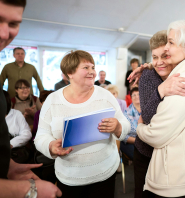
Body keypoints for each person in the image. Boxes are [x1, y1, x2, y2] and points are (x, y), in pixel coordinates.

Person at [129, 28, 185, 198]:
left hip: (176, 158)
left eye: (164, 56)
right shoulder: (149, 77)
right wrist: (160, 91)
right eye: (154, 57)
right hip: (147, 152)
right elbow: (148, 119)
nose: (158, 63)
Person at [34, 50, 130, 198]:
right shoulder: (52, 100)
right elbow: (41, 136)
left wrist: (118, 126)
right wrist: (51, 146)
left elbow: (125, 123)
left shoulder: (105, 96)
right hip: (69, 177)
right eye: (86, 68)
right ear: (70, 73)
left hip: (104, 174)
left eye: (93, 67)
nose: (92, 72)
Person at [0, 0, 62, 197]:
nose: (4, 33)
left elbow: (39, 81)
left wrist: (6, 165)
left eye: (13, 24)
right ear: (14, 55)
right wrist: (28, 190)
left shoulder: (31, 67)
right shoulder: (7, 67)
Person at [121, 87, 140, 160]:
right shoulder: (126, 112)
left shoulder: (148, 110)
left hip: (147, 140)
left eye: (138, 94)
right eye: (134, 95)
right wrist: (137, 141)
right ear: (131, 97)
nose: (136, 96)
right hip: (132, 141)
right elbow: (123, 135)